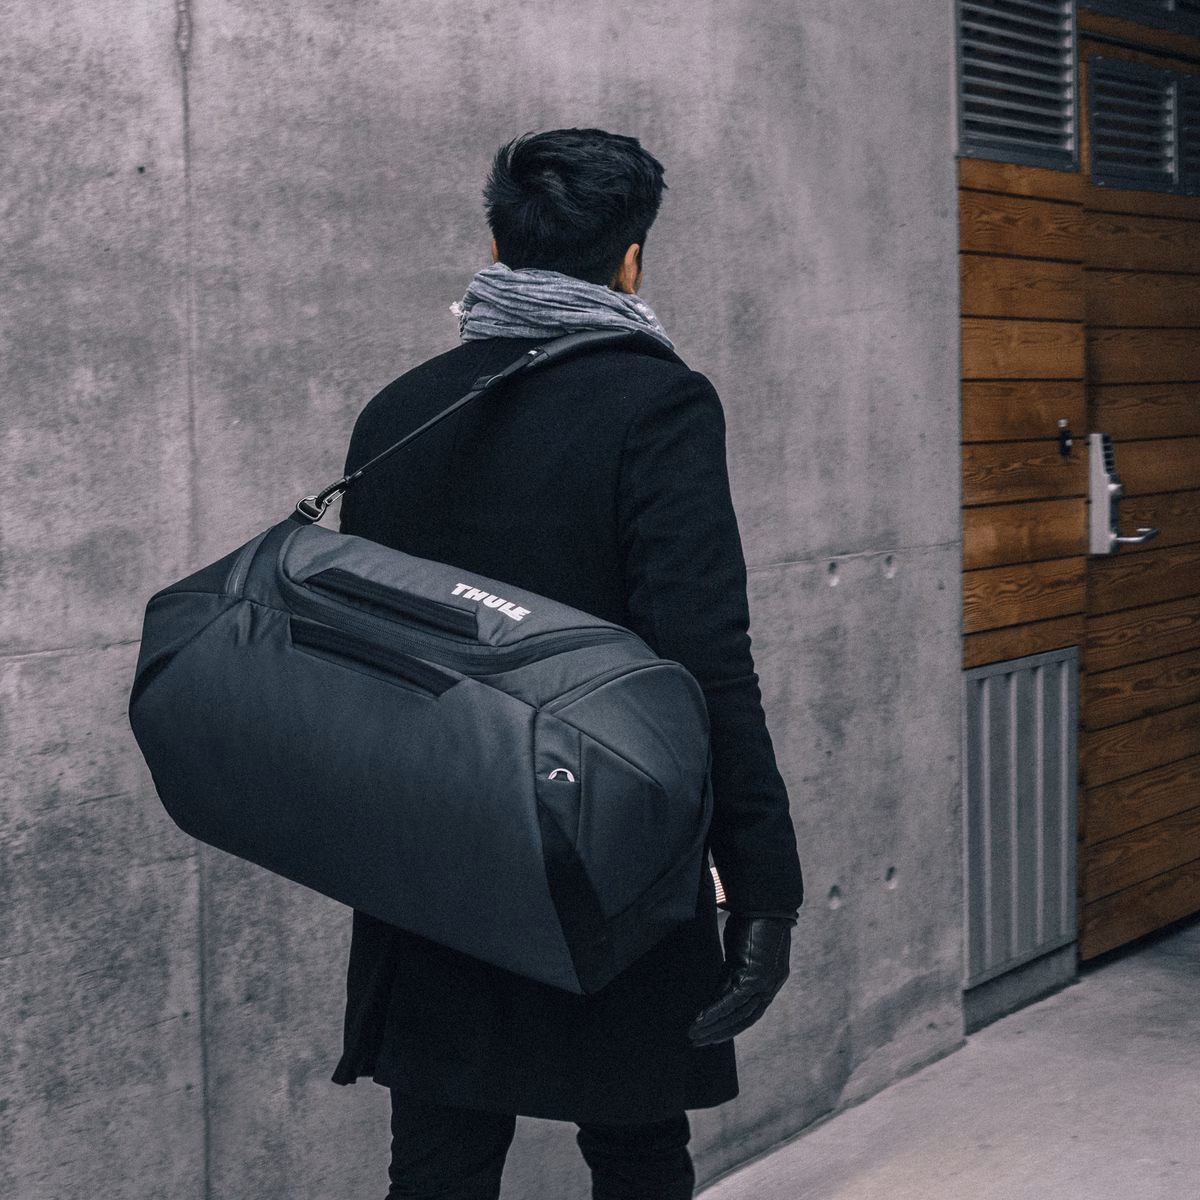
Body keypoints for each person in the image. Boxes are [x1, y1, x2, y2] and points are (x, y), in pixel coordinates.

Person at [332, 128, 804, 1200]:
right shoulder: (658, 403)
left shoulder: (400, 413)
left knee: (440, 1157)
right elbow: (703, 659)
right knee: (634, 1140)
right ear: (633, 255)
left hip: (432, 838)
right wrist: (763, 881)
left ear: (497, 241)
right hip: (606, 849)